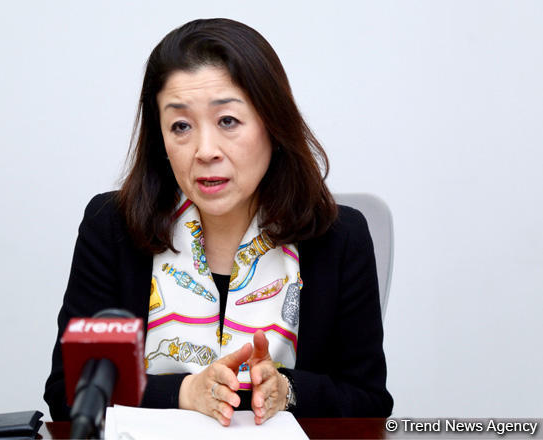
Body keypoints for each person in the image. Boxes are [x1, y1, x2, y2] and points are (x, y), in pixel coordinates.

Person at [44, 18, 393, 426]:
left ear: (273, 124)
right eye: (181, 126)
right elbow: (69, 393)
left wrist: (287, 390)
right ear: (161, 140)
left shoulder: (339, 237)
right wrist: (183, 392)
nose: (205, 150)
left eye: (227, 121)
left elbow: (368, 403)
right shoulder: (112, 227)